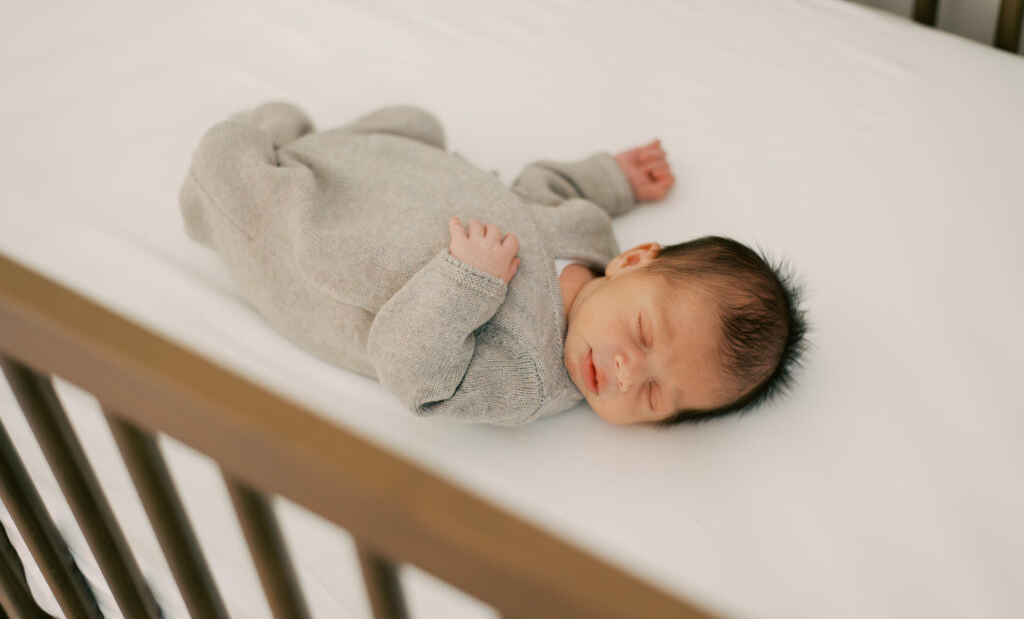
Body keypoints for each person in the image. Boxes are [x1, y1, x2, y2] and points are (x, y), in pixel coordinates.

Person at [180, 102, 806, 427]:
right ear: (636, 260)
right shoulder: (590, 234)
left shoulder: (530, 377)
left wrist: (465, 283)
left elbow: (411, 375)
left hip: (338, 258)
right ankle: (307, 145)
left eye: (651, 397)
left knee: (230, 166)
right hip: (398, 180)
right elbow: (543, 183)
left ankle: (233, 190)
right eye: (644, 335)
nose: (623, 372)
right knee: (414, 122)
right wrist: (614, 176)